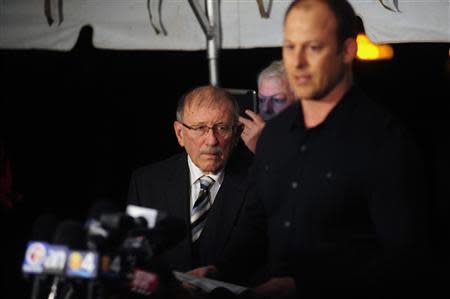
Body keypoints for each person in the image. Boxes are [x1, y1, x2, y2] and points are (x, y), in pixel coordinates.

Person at [191, 1, 430, 298]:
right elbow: (257, 224)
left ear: (347, 51)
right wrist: (219, 271)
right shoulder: (275, 136)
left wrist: (305, 286)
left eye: (314, 47)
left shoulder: (384, 141)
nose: (298, 62)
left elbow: (406, 261)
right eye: (290, 47)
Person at [127, 85, 251, 274]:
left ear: (236, 134)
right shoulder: (146, 183)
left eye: (222, 128)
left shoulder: (258, 182)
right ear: (180, 134)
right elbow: (135, 259)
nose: (211, 140)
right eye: (200, 128)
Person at [240, 60, 295, 153]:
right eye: (261, 100)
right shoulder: (252, 137)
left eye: (277, 100)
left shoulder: (311, 139)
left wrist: (262, 148)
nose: (266, 108)